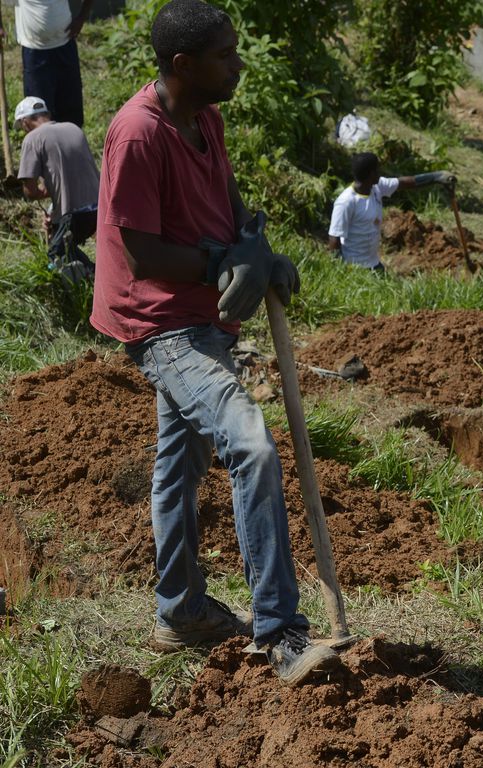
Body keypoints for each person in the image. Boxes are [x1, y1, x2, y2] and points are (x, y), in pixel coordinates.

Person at [90, 0, 340, 686]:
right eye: (226, 55)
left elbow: (226, 200)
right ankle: (281, 631)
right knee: (251, 445)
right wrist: (217, 266)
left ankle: (180, 611)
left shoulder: (206, 117)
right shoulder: (137, 134)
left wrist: (256, 248)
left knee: (178, 467)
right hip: (162, 323)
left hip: (207, 317)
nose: (238, 63)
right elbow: (139, 252)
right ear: (183, 64)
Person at [15, 95, 100, 276]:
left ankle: (95, 279)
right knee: (64, 243)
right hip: (101, 207)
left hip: (75, 213)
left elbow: (30, 191)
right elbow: (72, 179)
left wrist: (41, 192)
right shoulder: (73, 128)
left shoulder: (32, 139)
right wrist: (54, 213)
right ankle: (93, 276)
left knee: (57, 254)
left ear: (24, 122)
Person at [327, 152, 455, 271]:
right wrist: (341, 272)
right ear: (371, 174)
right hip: (354, 267)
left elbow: (406, 182)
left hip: (373, 264)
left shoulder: (376, 187)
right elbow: (334, 239)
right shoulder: (346, 202)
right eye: (377, 169)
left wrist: (437, 177)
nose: (380, 172)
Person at [0, 0, 92, 127]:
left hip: (65, 46)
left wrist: (82, 17)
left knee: (71, 110)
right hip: (35, 52)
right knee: (38, 114)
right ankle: (42, 144)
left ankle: (70, 143)